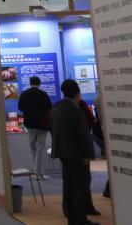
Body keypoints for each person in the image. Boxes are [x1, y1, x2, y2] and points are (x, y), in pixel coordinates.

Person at [51, 80, 98, 225]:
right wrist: (89, 154)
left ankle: (71, 216)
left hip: (63, 152)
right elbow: (83, 134)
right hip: (77, 154)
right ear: (78, 93)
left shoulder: (57, 107)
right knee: (80, 186)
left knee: (69, 184)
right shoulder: (75, 109)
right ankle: (80, 219)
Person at [17, 75, 52, 179]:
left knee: (33, 147)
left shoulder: (24, 94)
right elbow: (49, 109)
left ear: (30, 83)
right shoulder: (44, 94)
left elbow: (20, 107)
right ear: (39, 83)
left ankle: (36, 172)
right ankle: (39, 173)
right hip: (42, 126)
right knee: (40, 148)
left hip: (30, 125)